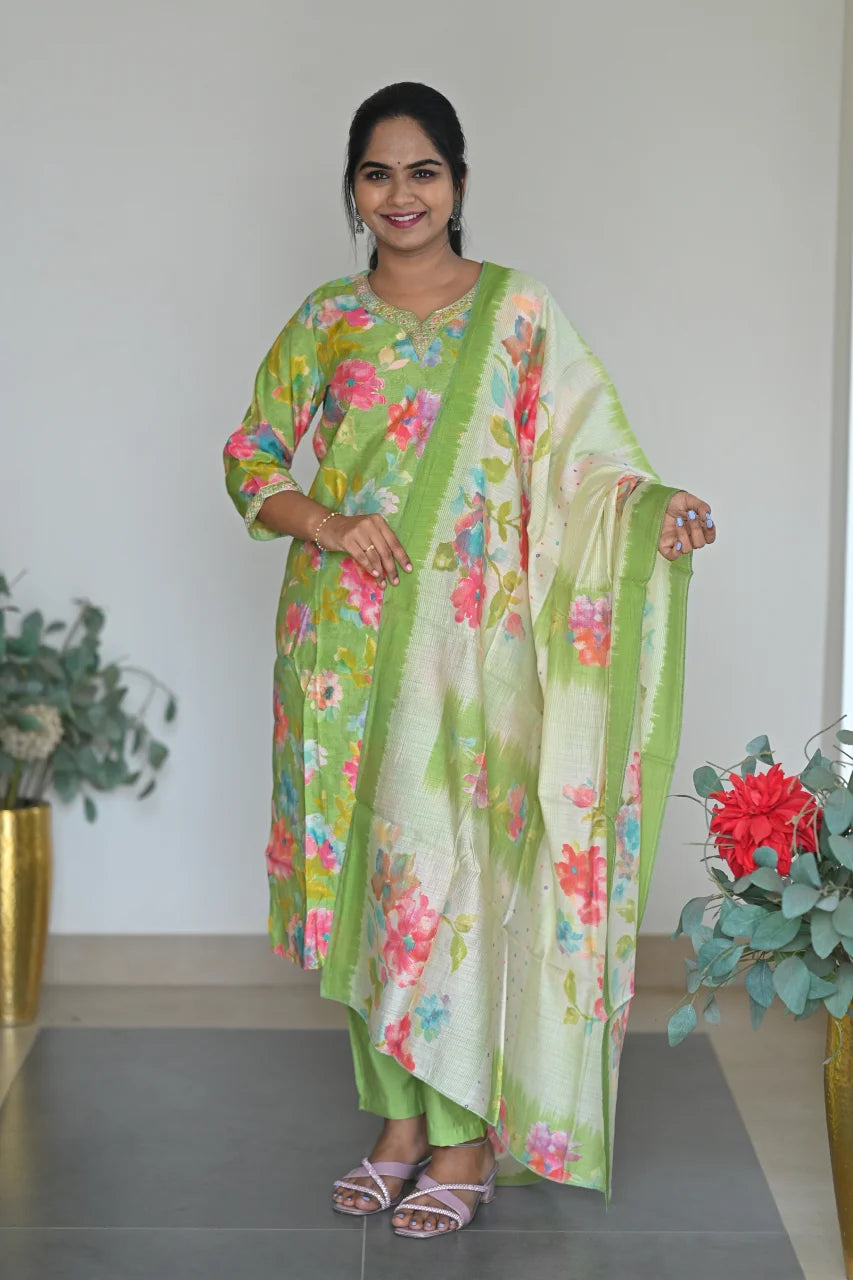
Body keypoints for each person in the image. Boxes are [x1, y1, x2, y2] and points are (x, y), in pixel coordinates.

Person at [223, 81, 716, 1239]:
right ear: (353, 188)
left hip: (473, 656)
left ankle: (461, 1136)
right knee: (368, 889)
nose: (401, 194)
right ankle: (396, 1123)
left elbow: (588, 464)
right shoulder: (326, 320)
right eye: (377, 172)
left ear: (457, 181)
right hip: (337, 653)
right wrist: (328, 521)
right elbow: (251, 453)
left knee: (452, 879)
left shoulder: (517, 312)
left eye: (423, 170)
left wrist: (653, 510)